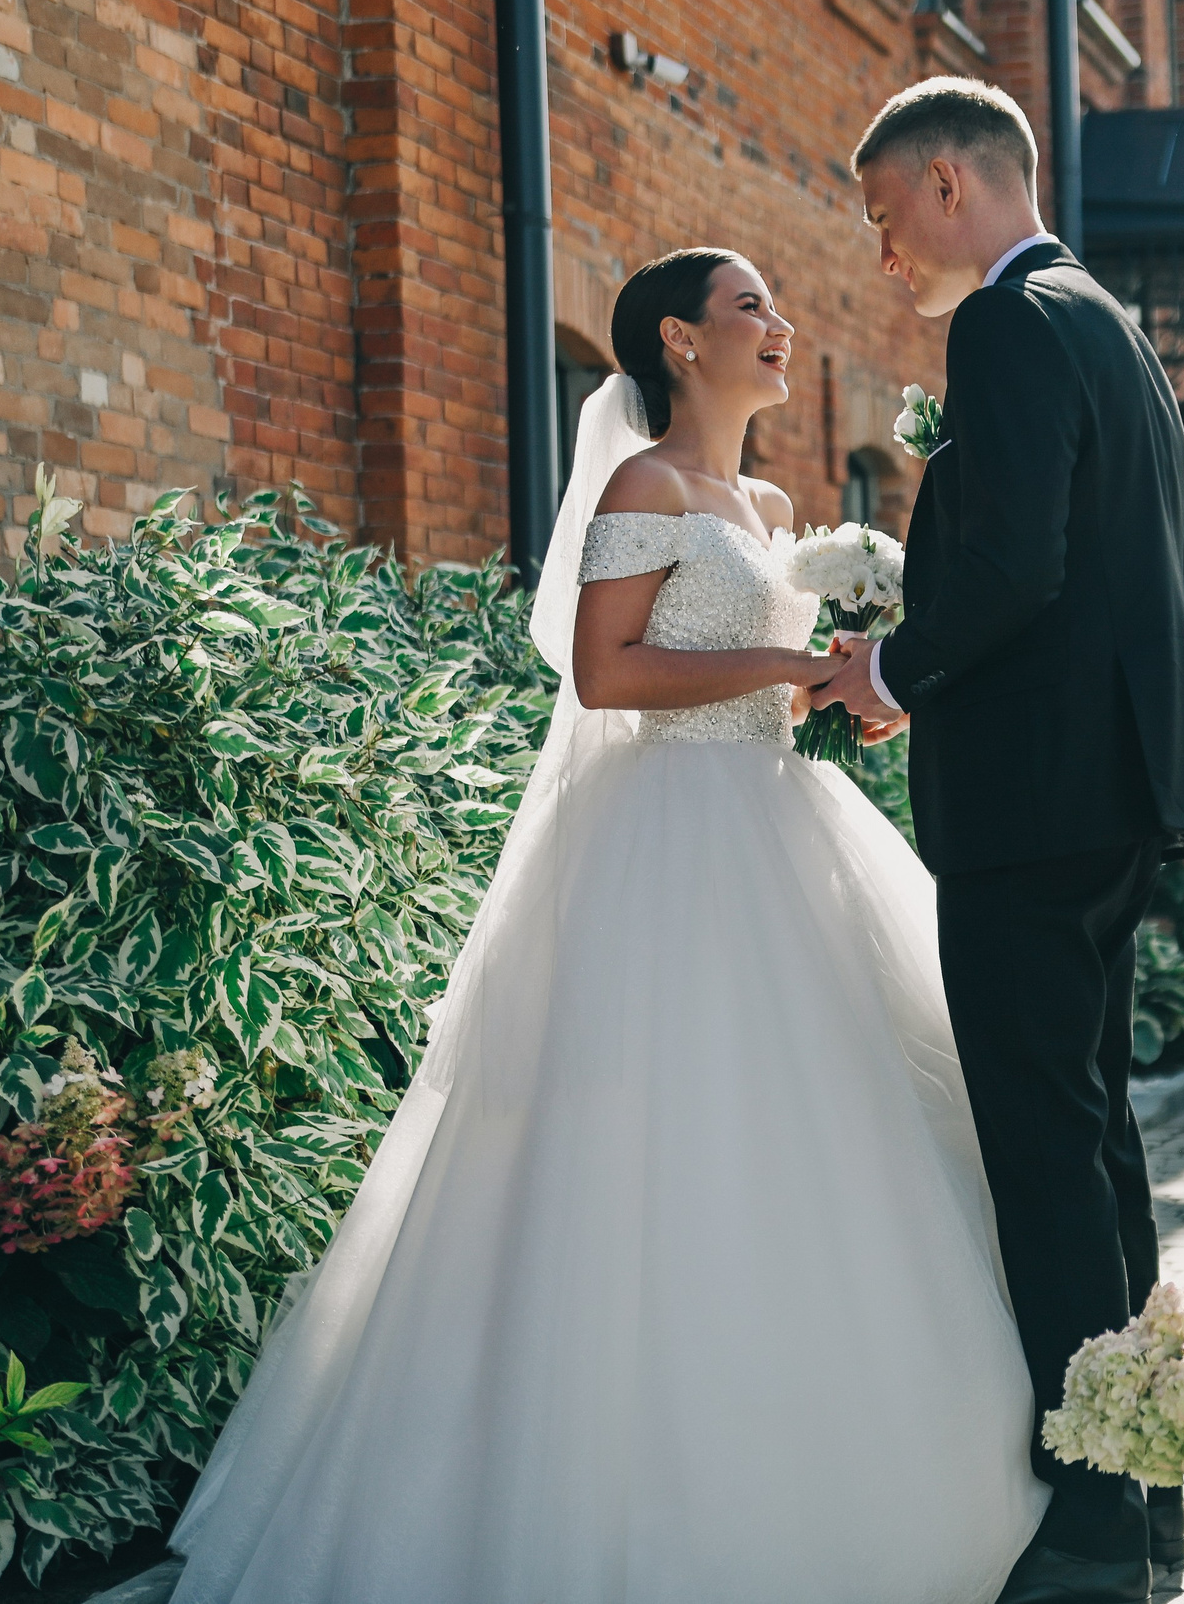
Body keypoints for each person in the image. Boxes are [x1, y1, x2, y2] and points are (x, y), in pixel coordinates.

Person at [164, 249, 1049, 1604]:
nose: (781, 323)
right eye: (754, 305)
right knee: (647, 1144)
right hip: (669, 843)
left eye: (773, 304)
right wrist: (788, 661)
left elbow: (778, 674)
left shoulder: (768, 500)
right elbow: (607, 671)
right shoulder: (644, 486)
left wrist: (852, 683)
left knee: (816, 1123)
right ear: (681, 341)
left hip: (775, 822)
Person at [810, 77, 1184, 1604]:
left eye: (882, 217)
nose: (883, 254)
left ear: (949, 182)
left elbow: (1012, 564)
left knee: (1044, 1153)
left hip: (1031, 803)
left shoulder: (1004, 322)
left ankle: (1083, 1516)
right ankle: (1141, 1484)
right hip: (1114, 794)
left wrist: (886, 671)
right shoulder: (1109, 321)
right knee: (1098, 1144)